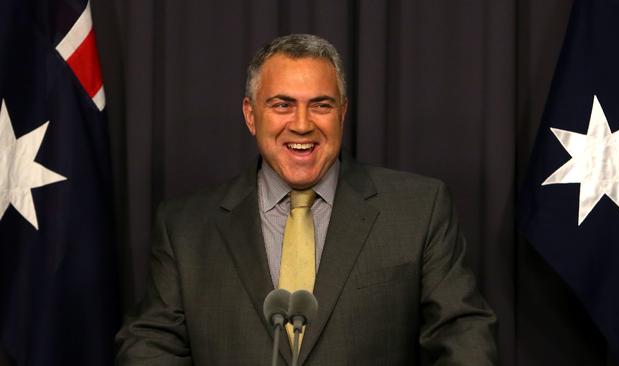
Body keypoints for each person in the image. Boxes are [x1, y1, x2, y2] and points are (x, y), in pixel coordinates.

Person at [115, 33, 497, 365]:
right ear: (251, 115)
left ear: (342, 113)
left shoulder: (418, 209)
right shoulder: (185, 227)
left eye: (321, 105)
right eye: (282, 104)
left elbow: (462, 337)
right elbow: (152, 347)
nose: (301, 123)